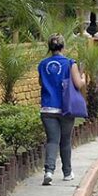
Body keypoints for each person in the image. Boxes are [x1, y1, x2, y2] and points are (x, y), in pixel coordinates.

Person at [38, 34, 86, 185]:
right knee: (65, 141)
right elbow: (78, 84)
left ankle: (49, 171)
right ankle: (67, 172)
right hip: (65, 108)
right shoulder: (70, 63)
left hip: (47, 108)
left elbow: (41, 82)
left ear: (49, 47)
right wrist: (83, 77)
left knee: (52, 140)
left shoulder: (42, 64)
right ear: (63, 47)